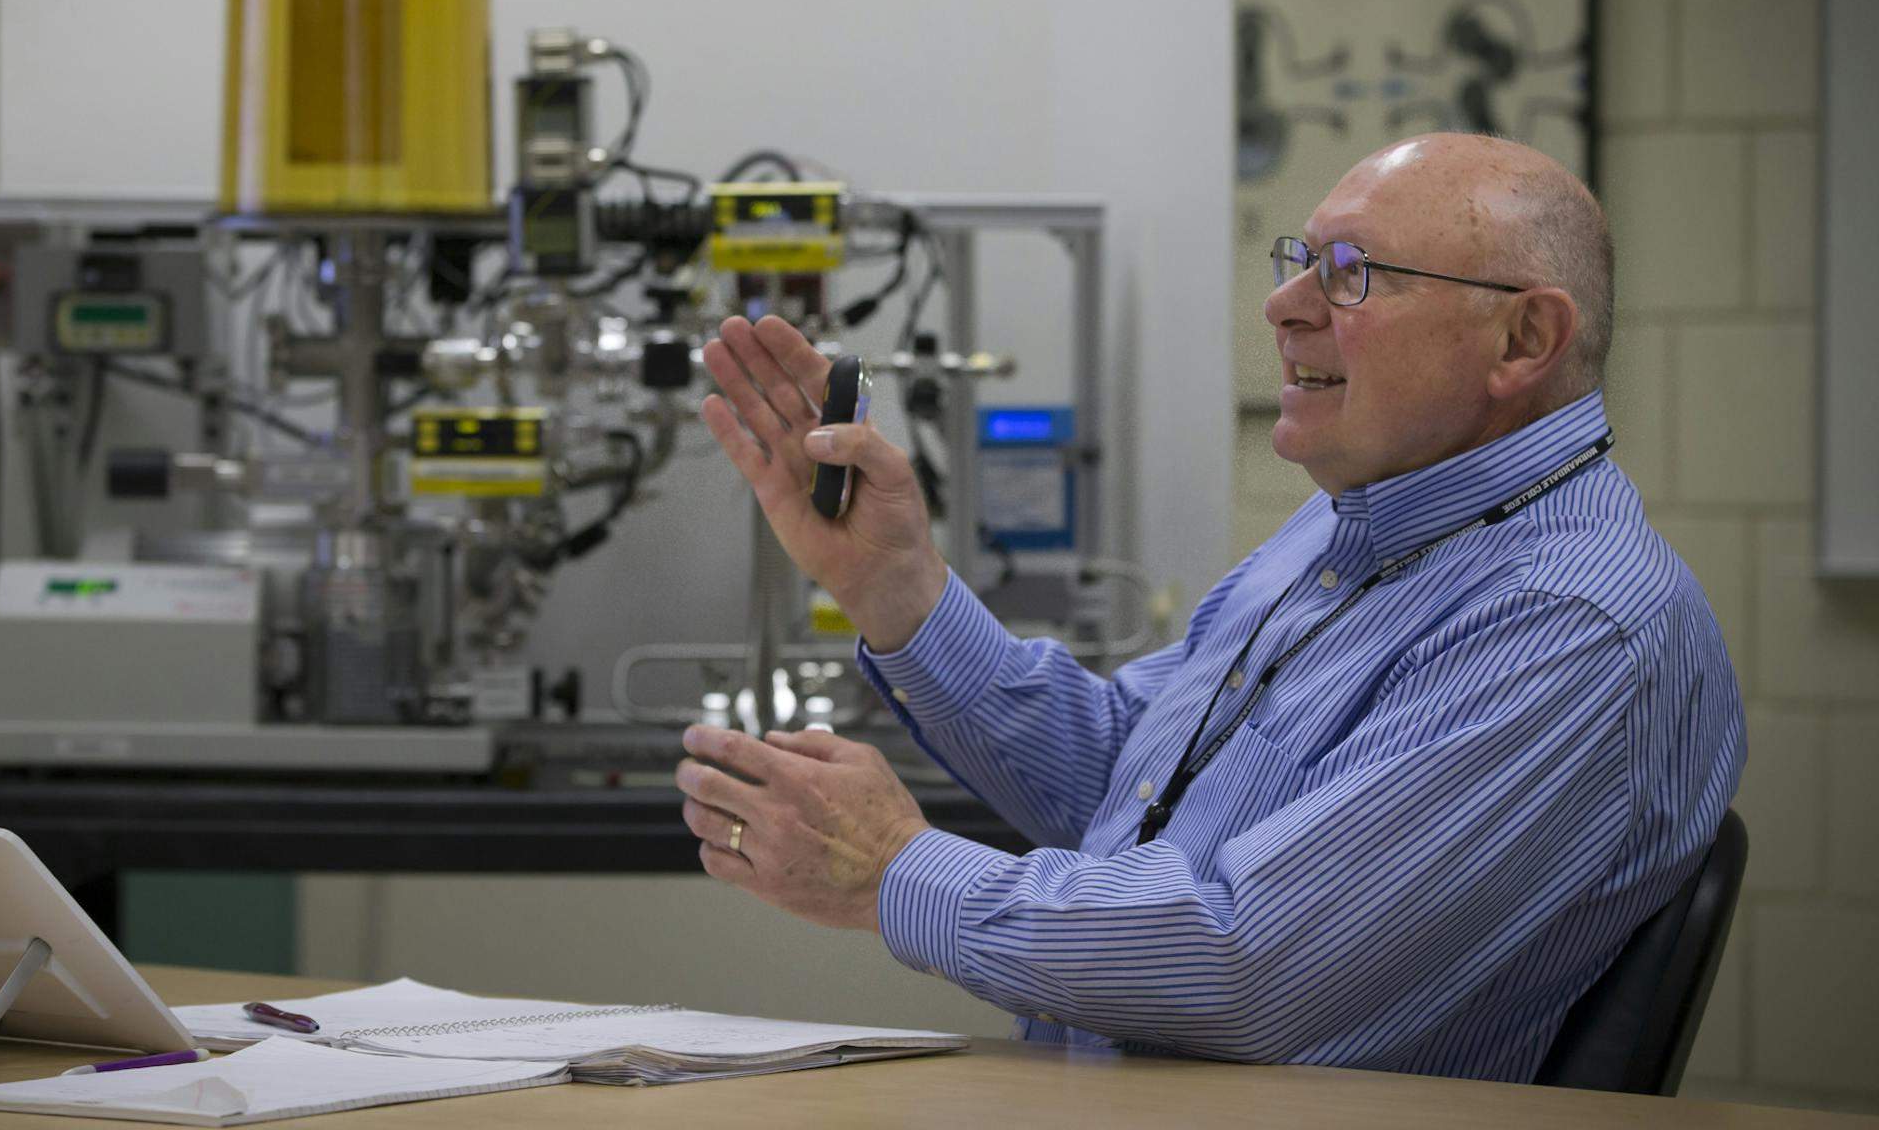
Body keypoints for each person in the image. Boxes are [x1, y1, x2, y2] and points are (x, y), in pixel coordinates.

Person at [674, 132, 1744, 1082]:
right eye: (1300, 262)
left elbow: (1252, 966)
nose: (1285, 306)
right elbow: (1127, 789)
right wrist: (896, 588)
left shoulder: (1570, 625)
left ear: (1523, 341)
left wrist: (894, 870)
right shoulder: (1338, 533)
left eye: (1352, 274)